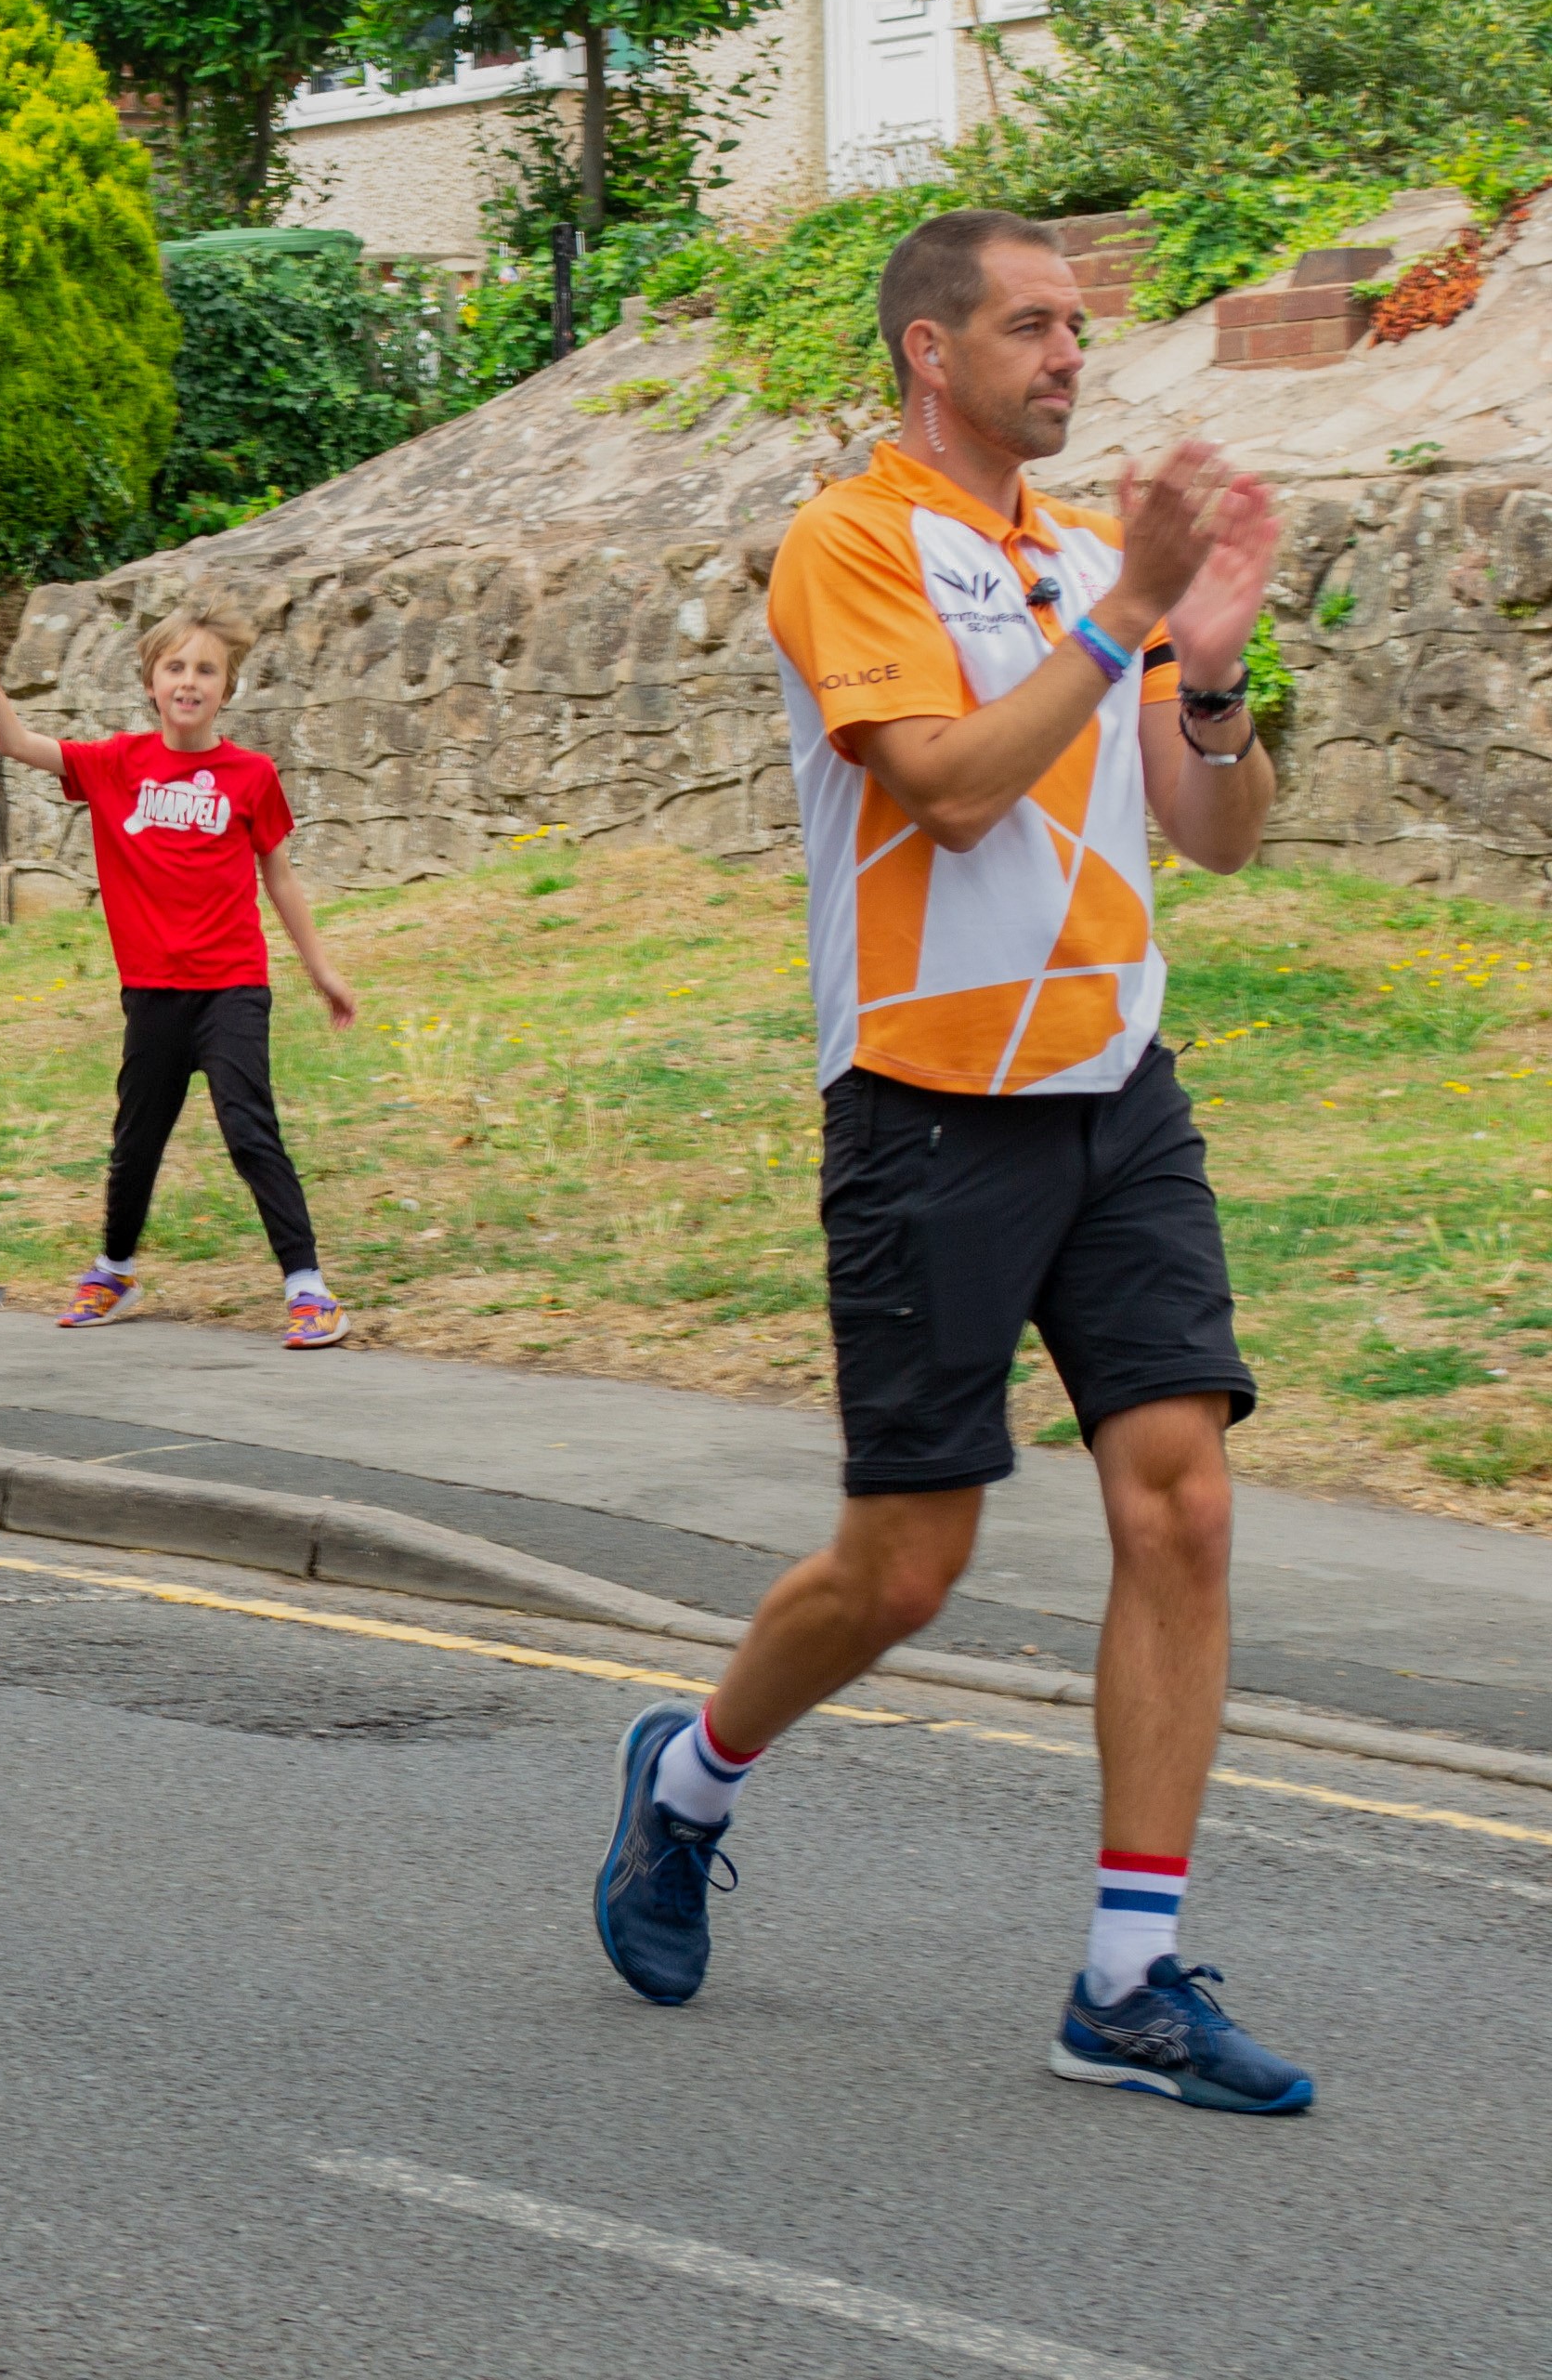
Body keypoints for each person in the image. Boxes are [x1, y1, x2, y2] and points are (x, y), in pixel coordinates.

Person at [589, 207, 1308, 2112]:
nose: (1074, 354)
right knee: (907, 1570)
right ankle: (686, 1782)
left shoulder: (1088, 556)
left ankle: (1129, 1977)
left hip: (1117, 1087)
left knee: (1186, 1504)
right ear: (932, 350)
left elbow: (1214, 834)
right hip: (926, 1101)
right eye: (1035, 325)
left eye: (1080, 325)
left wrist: (1210, 670)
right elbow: (955, 783)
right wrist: (1121, 614)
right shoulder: (852, 541)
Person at [0, 596, 359, 1348]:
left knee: (248, 1129)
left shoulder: (251, 775)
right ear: (152, 681)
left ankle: (309, 1289)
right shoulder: (114, 764)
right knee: (136, 1141)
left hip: (231, 985)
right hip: (154, 995)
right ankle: (114, 1271)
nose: (189, 681)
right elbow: (13, 740)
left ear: (226, 688)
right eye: (175, 667)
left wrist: (321, 970)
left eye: (206, 669)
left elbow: (280, 878)